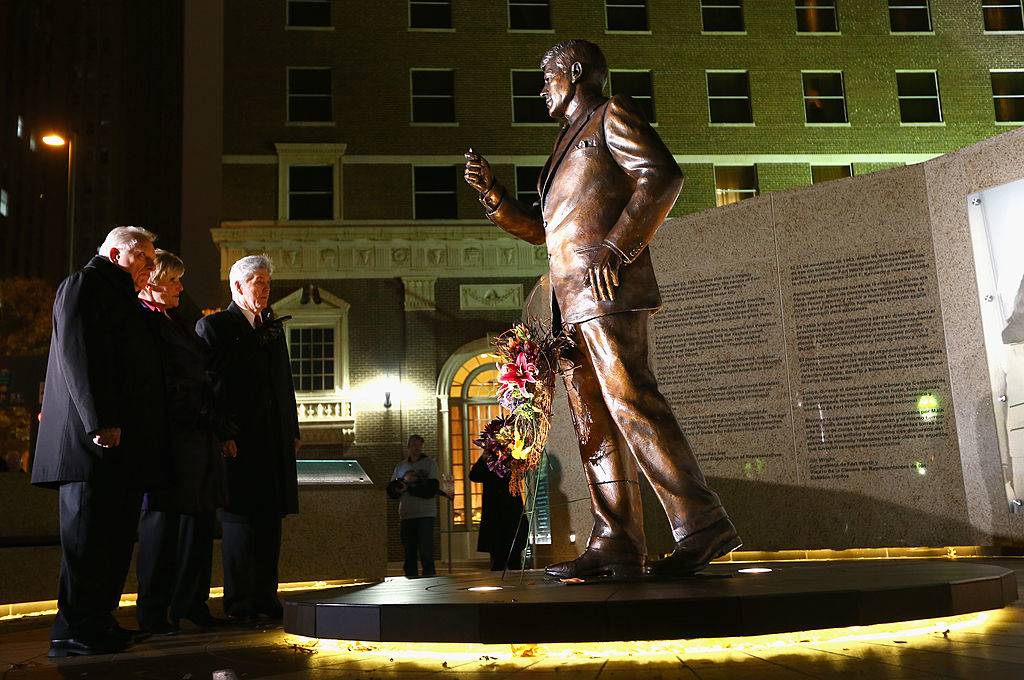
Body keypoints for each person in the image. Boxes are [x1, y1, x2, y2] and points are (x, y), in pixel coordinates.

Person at [464, 40, 740, 580]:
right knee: (594, 423)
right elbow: (543, 231)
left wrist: (618, 248)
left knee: (632, 402)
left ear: (574, 72)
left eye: (548, 78)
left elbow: (662, 176)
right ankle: (615, 537)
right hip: (570, 303)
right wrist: (495, 195)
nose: (542, 89)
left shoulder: (611, 114)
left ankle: (701, 522)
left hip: (607, 287)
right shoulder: (563, 144)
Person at [31, 226, 167, 656]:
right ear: (114, 253)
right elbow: (78, 354)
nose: (150, 265)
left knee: (111, 539)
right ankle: (70, 631)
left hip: (118, 444)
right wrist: (98, 419)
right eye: (144, 257)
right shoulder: (84, 284)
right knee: (87, 540)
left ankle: (98, 622)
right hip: (89, 441)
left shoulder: (122, 296)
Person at [196, 255, 300, 621]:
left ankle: (265, 599)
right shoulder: (214, 327)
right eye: (257, 280)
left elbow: (284, 384)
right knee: (241, 522)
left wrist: (293, 431)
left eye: (268, 280)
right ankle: (240, 602)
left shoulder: (272, 327)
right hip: (239, 440)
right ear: (237, 286)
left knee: (270, 520)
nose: (265, 287)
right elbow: (210, 388)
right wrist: (223, 432)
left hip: (273, 439)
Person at [135, 250, 229, 634]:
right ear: (153, 283)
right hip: (169, 441)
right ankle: (154, 610)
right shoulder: (144, 322)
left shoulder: (175, 321)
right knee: (163, 529)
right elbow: (162, 382)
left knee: (198, 524)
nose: (180, 287)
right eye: (173, 280)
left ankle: (192, 602)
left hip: (197, 439)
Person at [387, 435, 439, 578]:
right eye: (412, 445)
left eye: (418, 444)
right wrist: (404, 482)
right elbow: (392, 490)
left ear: (422, 446)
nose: (415, 448)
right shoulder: (401, 466)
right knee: (409, 550)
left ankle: (429, 577)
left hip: (425, 514)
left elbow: (431, 490)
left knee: (425, 550)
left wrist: (407, 487)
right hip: (407, 514)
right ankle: (410, 578)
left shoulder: (430, 464)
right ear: (408, 446)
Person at [469, 453, 529, 571]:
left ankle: (516, 583)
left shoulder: (513, 454)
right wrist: (484, 458)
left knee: (514, 554)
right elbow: (474, 475)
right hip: (494, 511)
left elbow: (520, 474)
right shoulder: (489, 458)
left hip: (511, 509)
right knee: (498, 558)